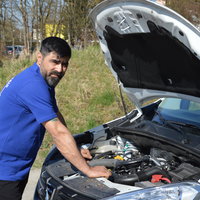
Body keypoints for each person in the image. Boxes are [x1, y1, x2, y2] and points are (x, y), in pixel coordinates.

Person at [0, 37, 111, 200]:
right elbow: (58, 132)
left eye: (65, 64)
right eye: (55, 62)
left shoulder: (41, 80)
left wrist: (75, 148)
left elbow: (55, 114)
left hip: (15, 165)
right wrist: (88, 170)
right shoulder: (33, 85)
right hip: (5, 170)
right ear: (40, 58)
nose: (60, 69)